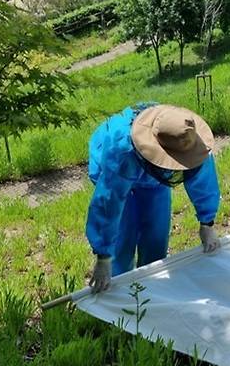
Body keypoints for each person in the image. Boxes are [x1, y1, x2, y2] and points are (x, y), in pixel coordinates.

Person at [85, 103, 221, 293]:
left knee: (156, 234)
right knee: (123, 237)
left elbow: (203, 180)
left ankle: (150, 292)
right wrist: (103, 256)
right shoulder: (121, 152)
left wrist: (207, 224)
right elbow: (108, 203)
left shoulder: (187, 140)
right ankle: (118, 295)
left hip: (154, 182)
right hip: (115, 170)